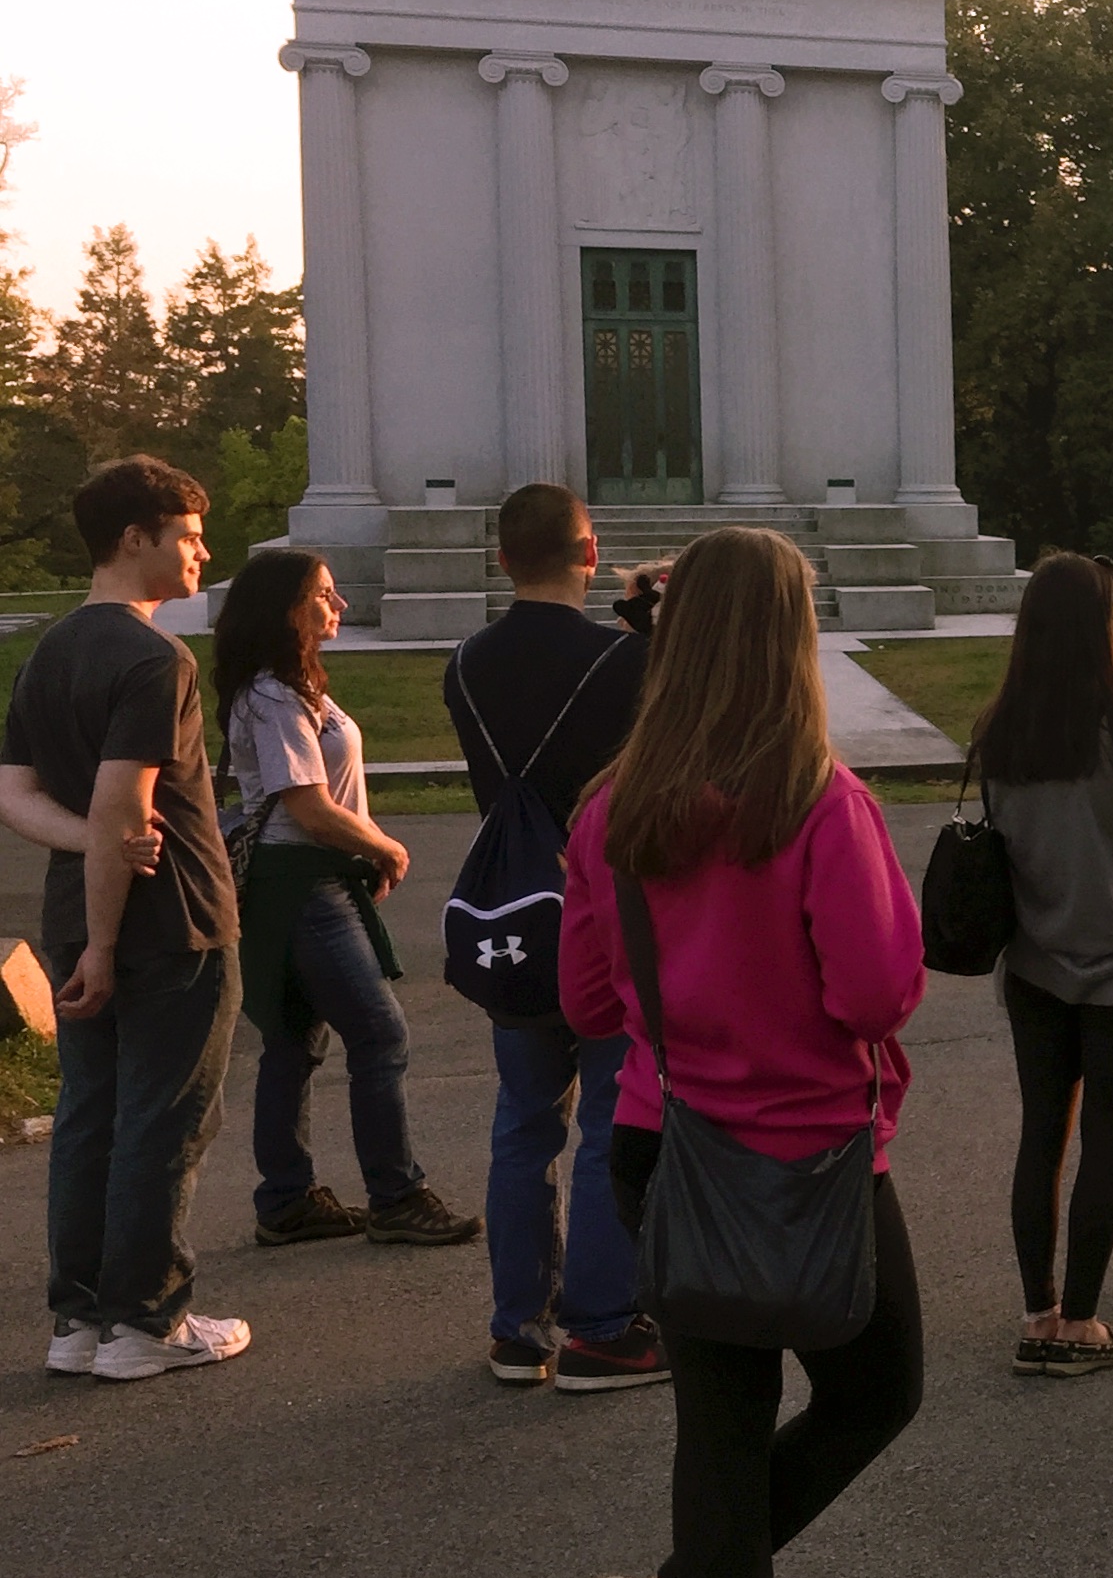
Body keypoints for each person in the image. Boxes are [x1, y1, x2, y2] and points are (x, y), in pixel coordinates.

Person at [562, 526, 924, 1578]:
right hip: (812, 1151)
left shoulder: (614, 810)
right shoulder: (821, 804)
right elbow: (879, 986)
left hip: (667, 1144)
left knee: (716, 1428)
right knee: (878, 1386)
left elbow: (591, 998)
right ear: (790, 641)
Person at [0, 459, 244, 1382]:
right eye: (186, 534)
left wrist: (89, 854)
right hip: (168, 926)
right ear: (134, 539)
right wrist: (105, 932)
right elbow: (124, 805)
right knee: (164, 1122)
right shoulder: (155, 658)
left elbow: (13, 792)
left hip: (78, 918)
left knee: (90, 1118)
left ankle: (79, 1323)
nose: (201, 551)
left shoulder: (50, 652)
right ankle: (148, 1324)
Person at [443, 483, 658, 1389]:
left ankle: (517, 1324)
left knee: (523, 1126)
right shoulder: (627, 663)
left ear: (502, 559)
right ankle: (605, 1325)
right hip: (603, 908)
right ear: (590, 551)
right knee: (610, 1119)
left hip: (514, 915)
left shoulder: (463, 664)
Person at [217, 551, 476, 1249]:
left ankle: (287, 1199)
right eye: (324, 597)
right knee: (378, 1032)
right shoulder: (273, 696)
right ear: (286, 609)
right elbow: (307, 806)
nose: (339, 608)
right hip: (301, 881)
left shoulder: (296, 689)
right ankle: (395, 1195)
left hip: (308, 877)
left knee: (295, 1039)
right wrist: (382, 846)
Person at [980, 552, 1113, 1376]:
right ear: (1103, 629)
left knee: (1042, 1136)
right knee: (1108, 1140)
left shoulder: (1000, 732)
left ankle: (1038, 1311)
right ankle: (1087, 1320)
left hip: (1035, 959)